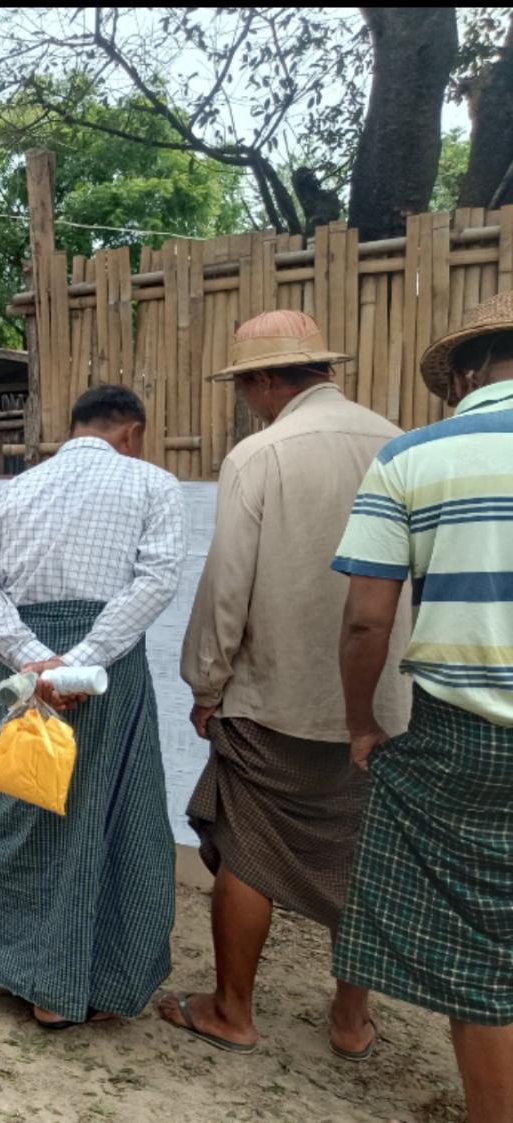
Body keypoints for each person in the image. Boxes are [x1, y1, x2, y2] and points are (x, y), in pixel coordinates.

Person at [162, 310, 410, 1060]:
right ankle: (350, 1021)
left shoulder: (259, 455)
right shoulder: (401, 445)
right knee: (364, 855)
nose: (246, 400)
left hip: (273, 700)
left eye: (245, 385)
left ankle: (232, 1010)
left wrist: (206, 684)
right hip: (387, 705)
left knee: (248, 850)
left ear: (268, 379)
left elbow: (226, 588)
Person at [0, 384, 184, 1030]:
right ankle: (59, 992)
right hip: (106, 670)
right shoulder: (152, 484)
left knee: (16, 806)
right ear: (131, 432)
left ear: (74, 427)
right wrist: (82, 660)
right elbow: (156, 580)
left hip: (25, 670)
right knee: (101, 813)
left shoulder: (9, 494)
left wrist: (32, 658)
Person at [329, 291, 513, 1122]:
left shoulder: (414, 456)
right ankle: (347, 1018)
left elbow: (367, 617)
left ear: (466, 372)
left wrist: (362, 723)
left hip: (464, 731)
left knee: (482, 946)